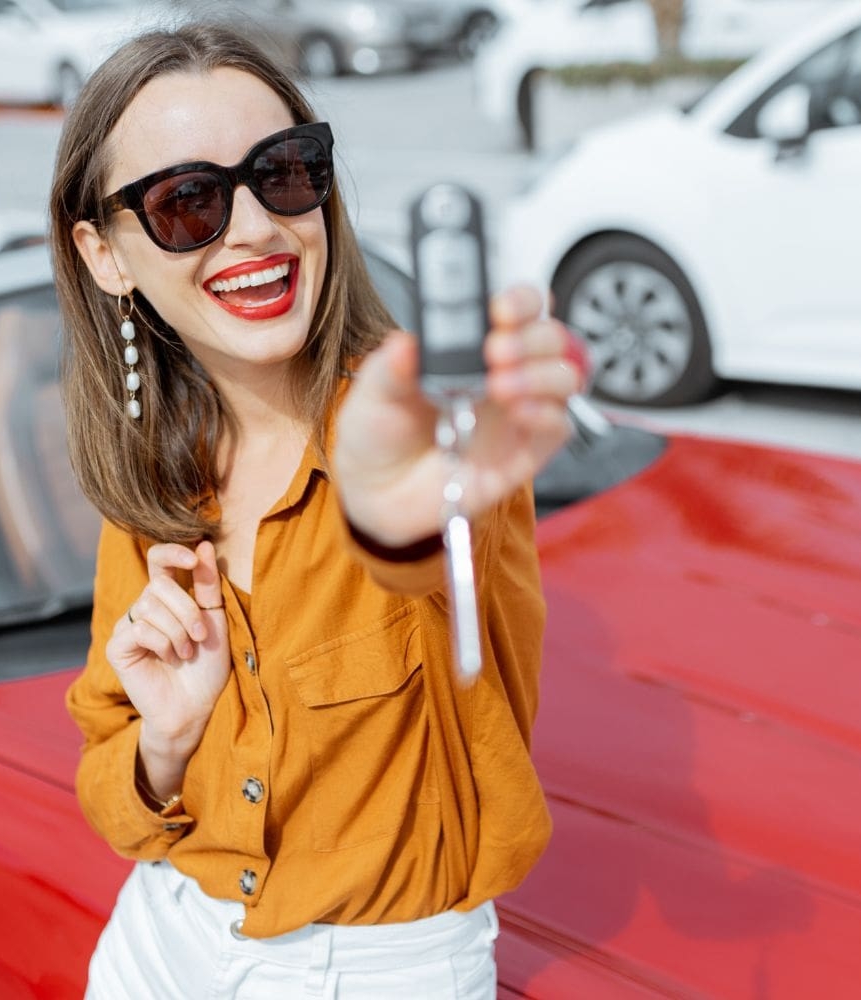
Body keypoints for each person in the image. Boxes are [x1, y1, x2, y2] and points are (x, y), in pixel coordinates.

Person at [51, 22, 580, 999]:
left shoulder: (416, 434)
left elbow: (425, 545)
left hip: (376, 967)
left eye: (286, 172)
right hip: (157, 937)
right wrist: (164, 743)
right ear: (106, 254)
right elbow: (109, 786)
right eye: (187, 201)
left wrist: (389, 504)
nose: (256, 227)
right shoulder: (154, 473)